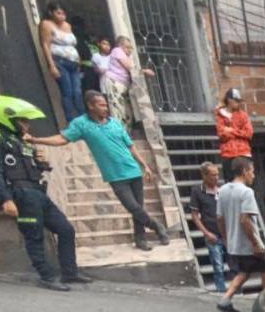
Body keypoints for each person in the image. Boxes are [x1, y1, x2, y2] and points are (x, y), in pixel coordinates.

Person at [25, 90, 169, 251]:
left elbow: (130, 146)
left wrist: (145, 166)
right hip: (115, 176)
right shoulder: (82, 124)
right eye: (101, 105)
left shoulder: (115, 123)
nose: (105, 108)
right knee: (133, 207)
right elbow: (62, 139)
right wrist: (36, 139)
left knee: (138, 207)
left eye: (106, 105)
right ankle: (157, 226)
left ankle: (140, 239)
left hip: (133, 171)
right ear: (90, 106)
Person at [0, 96, 91, 291]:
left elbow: (38, 167)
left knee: (66, 230)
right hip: (20, 194)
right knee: (34, 236)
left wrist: (41, 161)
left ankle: (70, 273)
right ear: (9, 118)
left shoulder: (21, 141)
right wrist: (6, 199)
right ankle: (46, 276)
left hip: (38, 192)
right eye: (23, 120)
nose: (27, 125)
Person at [216, 157, 265, 312]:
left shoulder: (223, 190)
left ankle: (225, 299)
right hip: (249, 243)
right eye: (252, 172)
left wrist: (227, 239)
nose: (253, 176)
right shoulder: (246, 192)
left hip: (235, 243)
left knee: (244, 272)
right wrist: (255, 243)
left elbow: (220, 218)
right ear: (245, 171)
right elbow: (245, 220)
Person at [39, 2, 84, 122]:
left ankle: (83, 119)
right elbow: (45, 45)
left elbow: (72, 44)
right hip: (60, 62)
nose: (62, 16)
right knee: (67, 92)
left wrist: (78, 59)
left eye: (63, 13)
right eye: (58, 13)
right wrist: (51, 65)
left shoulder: (67, 25)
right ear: (51, 13)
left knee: (78, 92)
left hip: (73, 62)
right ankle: (72, 121)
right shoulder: (47, 24)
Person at [105, 35, 155, 131]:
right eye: (127, 47)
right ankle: (119, 133)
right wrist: (145, 71)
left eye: (131, 47)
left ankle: (127, 132)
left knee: (127, 111)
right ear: (120, 46)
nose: (130, 50)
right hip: (115, 82)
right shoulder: (117, 51)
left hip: (124, 84)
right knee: (118, 109)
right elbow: (130, 67)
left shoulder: (129, 56)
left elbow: (133, 68)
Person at [189, 162, 226, 293]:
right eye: (213, 175)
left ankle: (238, 294)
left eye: (217, 174)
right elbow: (194, 215)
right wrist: (206, 233)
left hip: (226, 234)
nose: (216, 178)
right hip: (212, 234)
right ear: (204, 176)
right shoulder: (197, 191)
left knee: (235, 266)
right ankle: (222, 293)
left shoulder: (222, 190)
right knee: (218, 267)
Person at [215, 88, 253, 183]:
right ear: (229, 100)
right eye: (236, 101)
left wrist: (231, 130)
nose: (238, 103)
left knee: (246, 181)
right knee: (230, 182)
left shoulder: (243, 115)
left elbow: (249, 133)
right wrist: (239, 132)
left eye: (239, 101)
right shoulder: (220, 116)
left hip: (243, 153)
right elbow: (221, 134)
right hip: (228, 154)